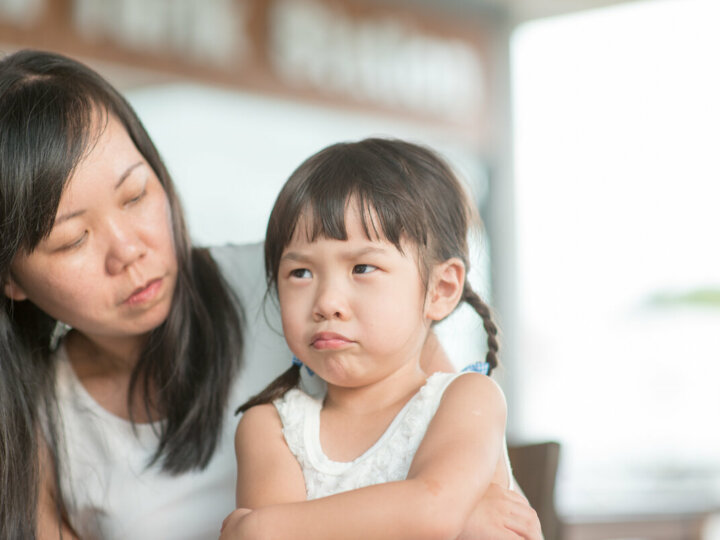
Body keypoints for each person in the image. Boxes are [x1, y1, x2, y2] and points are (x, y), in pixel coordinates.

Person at [0, 49, 541, 539]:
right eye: (72, 239)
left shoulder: (303, 281)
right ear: (12, 279)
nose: (128, 252)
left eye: (136, 194)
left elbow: (469, 490)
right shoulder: (38, 420)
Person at [220, 138, 524, 540]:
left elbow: (432, 510)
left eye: (362, 267)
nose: (326, 302)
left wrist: (261, 526)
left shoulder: (468, 399)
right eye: (301, 273)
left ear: (440, 289)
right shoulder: (270, 427)